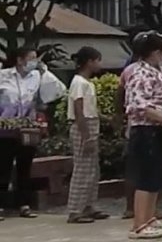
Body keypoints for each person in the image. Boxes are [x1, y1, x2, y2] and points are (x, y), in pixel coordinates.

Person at [0, 47, 66, 219]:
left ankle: (24, 204)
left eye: (35, 59)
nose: (34, 62)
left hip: (27, 128)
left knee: (24, 166)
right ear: (20, 60)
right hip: (5, 128)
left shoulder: (36, 77)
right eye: (31, 59)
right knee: (3, 166)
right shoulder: (4, 75)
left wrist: (45, 71)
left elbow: (56, 91)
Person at [124, 32, 162, 239]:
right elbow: (140, 106)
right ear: (155, 52)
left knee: (157, 175)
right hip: (147, 129)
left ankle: (149, 217)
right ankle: (139, 223)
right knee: (146, 177)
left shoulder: (161, 72)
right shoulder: (140, 74)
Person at [67, 47, 110, 224]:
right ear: (90, 62)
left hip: (92, 124)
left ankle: (88, 205)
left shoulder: (88, 83)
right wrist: (87, 136)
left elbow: (90, 109)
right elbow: (78, 109)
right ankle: (75, 209)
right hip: (83, 127)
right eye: (98, 60)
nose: (100, 64)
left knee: (93, 169)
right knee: (82, 169)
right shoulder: (78, 82)